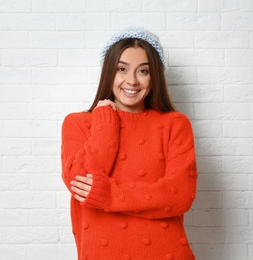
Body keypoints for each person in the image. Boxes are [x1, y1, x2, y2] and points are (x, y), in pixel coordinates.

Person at [61, 28, 197, 260]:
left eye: (143, 71)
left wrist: (108, 196)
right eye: (121, 69)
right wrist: (105, 121)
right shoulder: (79, 123)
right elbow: (79, 182)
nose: (132, 80)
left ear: (155, 76)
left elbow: (179, 196)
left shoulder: (175, 124)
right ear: (108, 72)